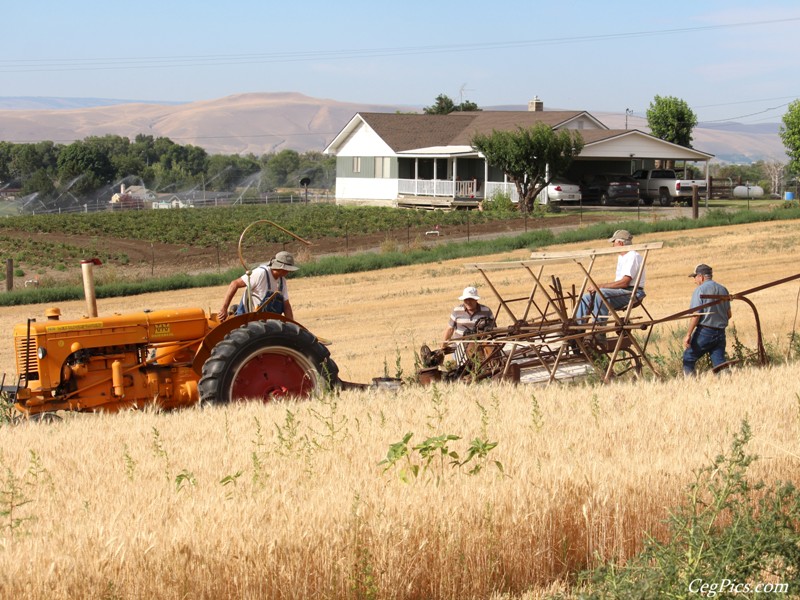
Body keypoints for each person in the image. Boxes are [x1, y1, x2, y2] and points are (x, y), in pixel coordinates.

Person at [575, 229, 646, 325]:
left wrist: (599, 287)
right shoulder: (622, 257)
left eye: (614, 243)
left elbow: (625, 282)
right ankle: (578, 328)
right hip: (621, 292)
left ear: (620, 243)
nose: (613, 246)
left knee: (602, 293)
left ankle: (599, 329)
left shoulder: (633, 256)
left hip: (632, 293)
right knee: (585, 298)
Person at [218, 250, 298, 322]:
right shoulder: (261, 273)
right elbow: (234, 284)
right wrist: (224, 308)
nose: (289, 272)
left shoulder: (282, 281)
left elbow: (286, 304)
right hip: (248, 320)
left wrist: (291, 324)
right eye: (288, 269)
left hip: (268, 323)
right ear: (281, 268)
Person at [683, 263, 732, 375]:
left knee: (688, 357)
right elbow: (729, 314)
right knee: (719, 363)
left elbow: (696, 315)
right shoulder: (723, 289)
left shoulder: (700, 290)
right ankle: (728, 385)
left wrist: (688, 334)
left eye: (695, 277)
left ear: (701, 276)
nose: (694, 280)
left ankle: (691, 385)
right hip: (720, 332)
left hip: (705, 332)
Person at [442, 286, 494, 364]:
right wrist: (444, 345)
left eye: (471, 299)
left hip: (481, 346)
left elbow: (493, 329)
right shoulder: (457, 311)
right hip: (460, 346)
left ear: (476, 299)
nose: (468, 302)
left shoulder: (486, 311)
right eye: (466, 300)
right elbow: (450, 329)